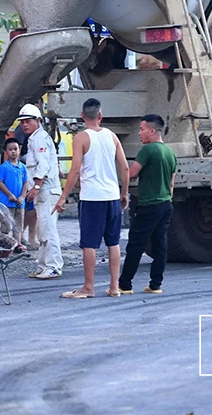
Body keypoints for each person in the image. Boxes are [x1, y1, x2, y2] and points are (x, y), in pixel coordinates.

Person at [54, 98, 129, 298]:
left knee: (89, 243)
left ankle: (88, 286)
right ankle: (114, 286)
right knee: (113, 242)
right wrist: (124, 193)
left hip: (92, 197)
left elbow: (75, 170)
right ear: (100, 116)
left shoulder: (81, 137)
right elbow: (125, 167)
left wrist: (63, 196)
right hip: (112, 196)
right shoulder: (112, 136)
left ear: (82, 116)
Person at [119, 114, 177, 295]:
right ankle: (155, 284)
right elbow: (172, 183)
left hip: (149, 204)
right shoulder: (170, 153)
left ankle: (125, 284)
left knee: (136, 244)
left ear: (152, 131)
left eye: (142, 129)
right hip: (166, 203)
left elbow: (132, 173)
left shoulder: (149, 150)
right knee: (160, 244)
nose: (139, 133)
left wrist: (121, 186)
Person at [18, 103, 64, 279]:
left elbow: (43, 165)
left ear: (38, 121)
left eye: (28, 121)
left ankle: (53, 266)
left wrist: (36, 186)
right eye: (22, 122)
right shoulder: (35, 138)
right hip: (43, 191)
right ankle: (43, 265)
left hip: (46, 190)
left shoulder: (39, 138)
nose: (24, 124)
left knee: (48, 229)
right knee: (43, 229)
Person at [0, 138, 27, 244]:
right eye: (10, 149)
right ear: (6, 151)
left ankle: (17, 245)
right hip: (6, 202)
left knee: (18, 226)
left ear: (19, 150)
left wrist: (22, 197)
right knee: (5, 225)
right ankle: (4, 245)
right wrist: (9, 194)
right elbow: (0, 182)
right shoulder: (4, 167)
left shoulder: (23, 167)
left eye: (15, 149)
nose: (13, 152)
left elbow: (26, 183)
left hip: (20, 203)